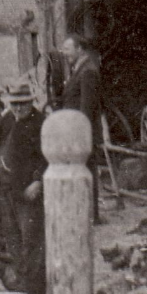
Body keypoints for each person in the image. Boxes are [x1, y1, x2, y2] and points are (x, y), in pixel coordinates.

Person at [0, 83, 47, 294]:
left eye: (22, 104)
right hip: (6, 189)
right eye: (14, 104)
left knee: (32, 242)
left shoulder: (41, 123)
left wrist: (38, 180)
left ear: (31, 102)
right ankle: (22, 285)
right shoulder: (9, 118)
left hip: (27, 191)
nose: (18, 109)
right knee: (12, 238)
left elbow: (46, 156)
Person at [60, 34, 102, 223]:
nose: (64, 53)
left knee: (86, 171)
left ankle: (90, 215)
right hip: (75, 131)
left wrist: (79, 135)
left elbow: (86, 108)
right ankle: (85, 212)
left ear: (79, 49)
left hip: (82, 133)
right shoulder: (79, 69)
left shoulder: (88, 71)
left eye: (67, 49)